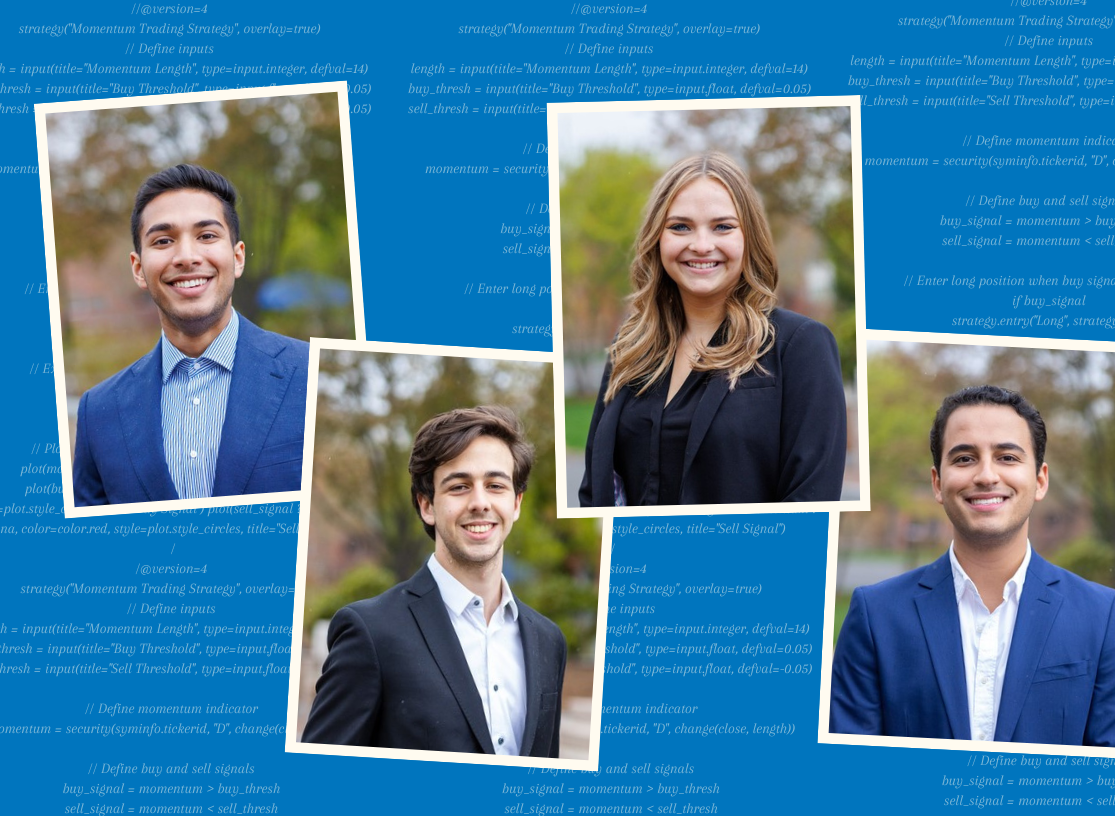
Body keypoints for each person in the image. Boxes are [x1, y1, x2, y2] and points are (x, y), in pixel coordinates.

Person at [829, 386, 1115, 746]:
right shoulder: (875, 616)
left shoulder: (1104, 616)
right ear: (938, 483)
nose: (986, 475)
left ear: (1040, 480)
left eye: (1007, 457)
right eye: (965, 459)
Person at [578, 151, 846, 507]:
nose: (701, 245)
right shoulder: (629, 348)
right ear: (657, 239)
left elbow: (812, 502)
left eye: (722, 226)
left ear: (749, 237)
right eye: (680, 226)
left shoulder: (799, 346)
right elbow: (597, 489)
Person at [302, 406, 567, 757]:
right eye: (459, 486)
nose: (480, 503)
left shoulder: (549, 641)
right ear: (427, 505)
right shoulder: (371, 633)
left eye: (495, 485)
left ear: (516, 502)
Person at [72, 164, 308, 506]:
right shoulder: (98, 411)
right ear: (139, 269)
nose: (186, 257)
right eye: (163, 241)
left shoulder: (308, 373)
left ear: (237, 257)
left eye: (207, 236)